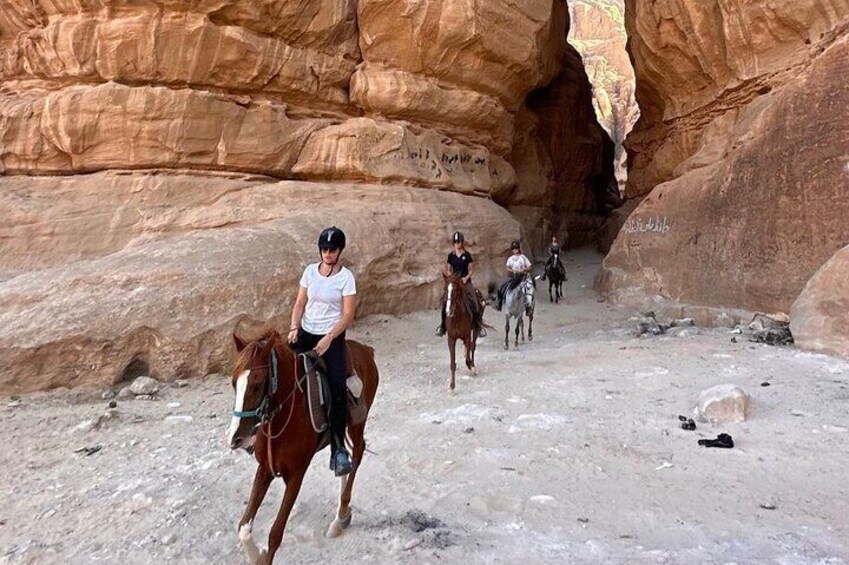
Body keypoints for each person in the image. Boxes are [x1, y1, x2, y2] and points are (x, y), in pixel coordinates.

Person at [288, 226, 356, 476]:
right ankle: (259, 429)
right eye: (324, 249)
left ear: (339, 251)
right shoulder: (309, 272)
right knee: (277, 369)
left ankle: (338, 450)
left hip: (332, 335)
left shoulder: (346, 278)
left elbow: (348, 315)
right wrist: (294, 326)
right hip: (306, 330)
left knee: (337, 389)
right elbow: (299, 302)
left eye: (332, 250)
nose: (327, 253)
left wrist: (329, 338)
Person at [436, 231, 483, 337]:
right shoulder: (451, 256)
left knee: (475, 303)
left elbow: (471, 269)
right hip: (455, 283)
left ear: (462, 242)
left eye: (458, 241)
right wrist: (453, 277)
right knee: (445, 303)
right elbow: (448, 270)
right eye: (455, 242)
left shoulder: (467, 255)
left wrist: (466, 277)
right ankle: (443, 326)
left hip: (465, 282)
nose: (457, 244)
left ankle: (477, 326)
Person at [495, 240, 532, 311]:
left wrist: (524, 269)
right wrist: (513, 271)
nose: (515, 250)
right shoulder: (510, 259)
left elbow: (529, 266)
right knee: (502, 287)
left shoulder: (523, 257)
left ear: (518, 249)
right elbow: (507, 267)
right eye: (514, 249)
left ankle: (528, 306)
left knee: (528, 290)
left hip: (522, 277)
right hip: (514, 277)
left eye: (516, 249)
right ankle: (500, 303)